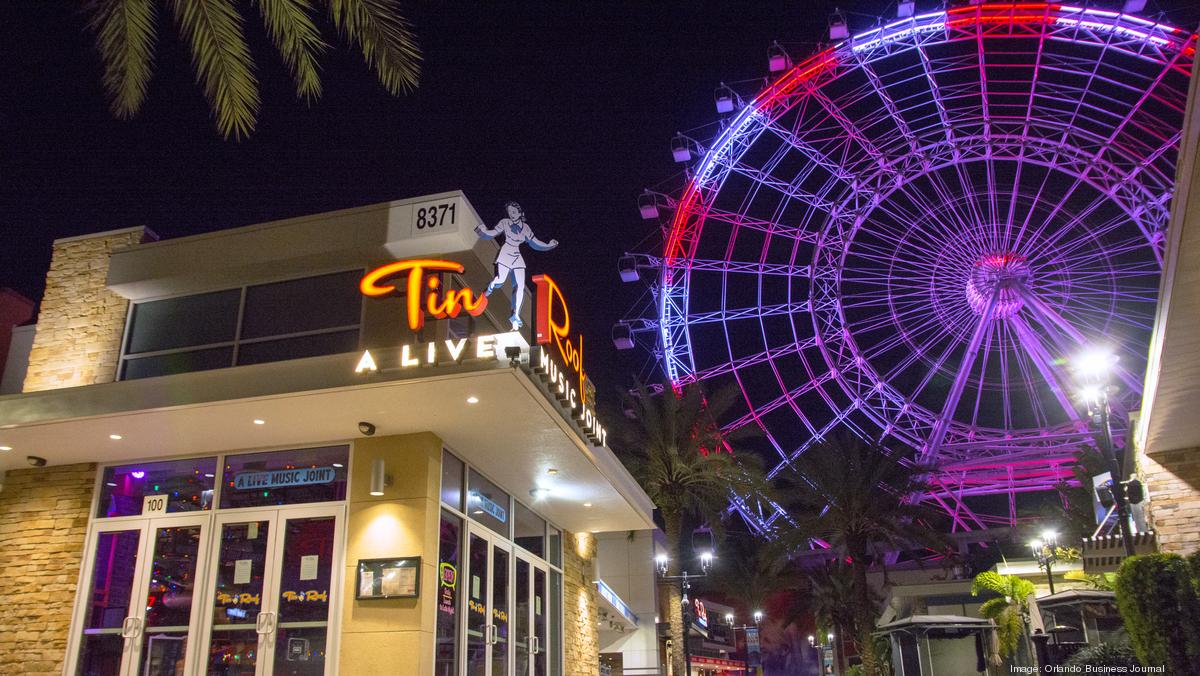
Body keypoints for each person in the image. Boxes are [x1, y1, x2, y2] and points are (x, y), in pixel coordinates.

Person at [475, 201, 558, 329]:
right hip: (506, 252)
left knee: (519, 285)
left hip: (517, 255)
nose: (511, 214)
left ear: (520, 213)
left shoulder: (526, 228)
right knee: (500, 280)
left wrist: (548, 245)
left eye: (514, 212)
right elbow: (492, 233)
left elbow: (535, 243)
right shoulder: (505, 222)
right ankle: (489, 288)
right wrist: (482, 231)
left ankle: (516, 314)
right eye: (509, 212)